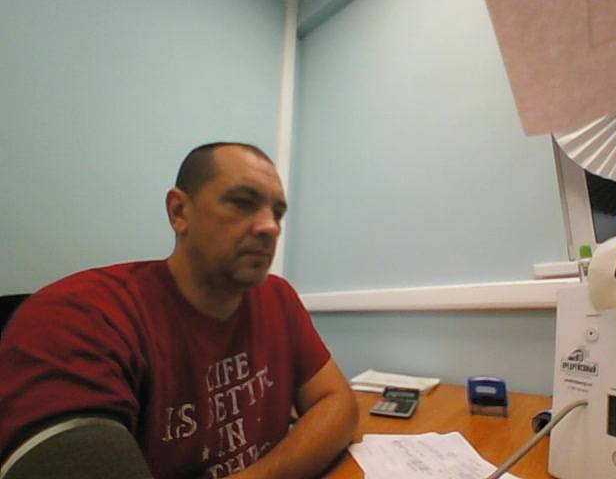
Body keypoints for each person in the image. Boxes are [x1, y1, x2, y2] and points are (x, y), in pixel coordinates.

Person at [0, 142, 359, 479]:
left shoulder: (276, 296)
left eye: (277, 213)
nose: (270, 226)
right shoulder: (78, 318)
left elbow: (337, 401)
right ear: (179, 211)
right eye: (243, 202)